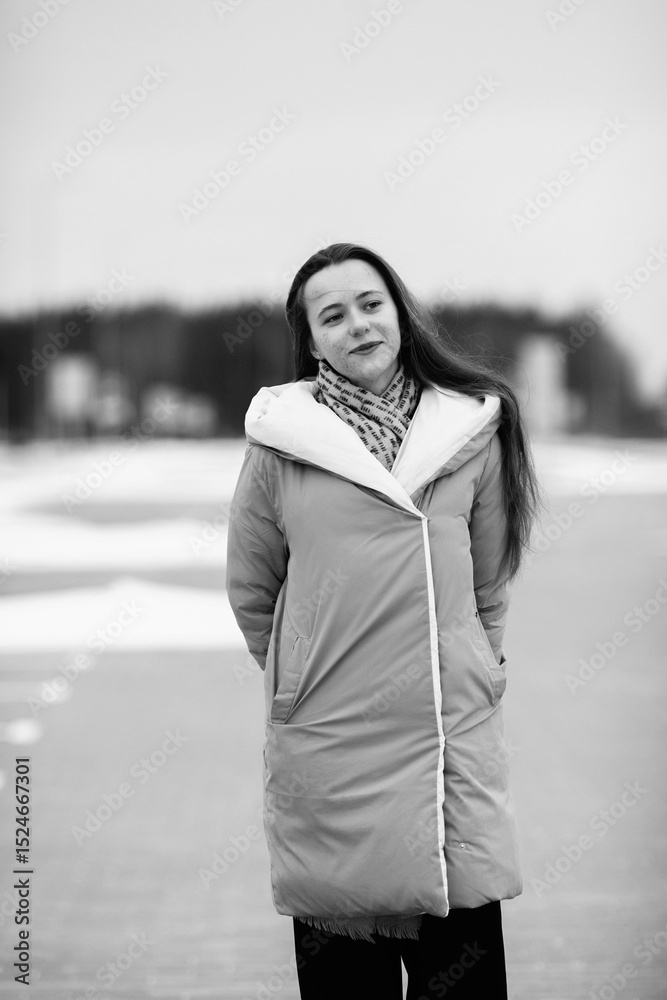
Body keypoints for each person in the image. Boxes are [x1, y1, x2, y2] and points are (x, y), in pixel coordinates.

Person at [226, 242, 542, 999]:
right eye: (331, 316)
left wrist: (469, 670)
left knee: (460, 979)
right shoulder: (281, 447)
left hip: (448, 749)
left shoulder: (469, 434)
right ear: (311, 341)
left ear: (399, 313)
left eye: (370, 305)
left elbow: (487, 583)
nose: (357, 326)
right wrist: (303, 684)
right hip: (333, 752)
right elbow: (252, 589)